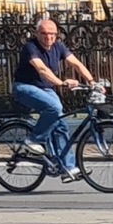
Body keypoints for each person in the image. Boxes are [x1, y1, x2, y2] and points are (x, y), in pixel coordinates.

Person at [14, 15, 98, 178]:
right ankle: (33, 140)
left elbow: (76, 64)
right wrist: (61, 83)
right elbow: (42, 69)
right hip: (24, 87)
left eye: (52, 33)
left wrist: (92, 82)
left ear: (57, 34)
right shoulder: (31, 47)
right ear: (37, 33)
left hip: (45, 89)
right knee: (54, 107)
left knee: (61, 124)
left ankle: (67, 168)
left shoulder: (58, 46)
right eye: (44, 33)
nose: (48, 37)